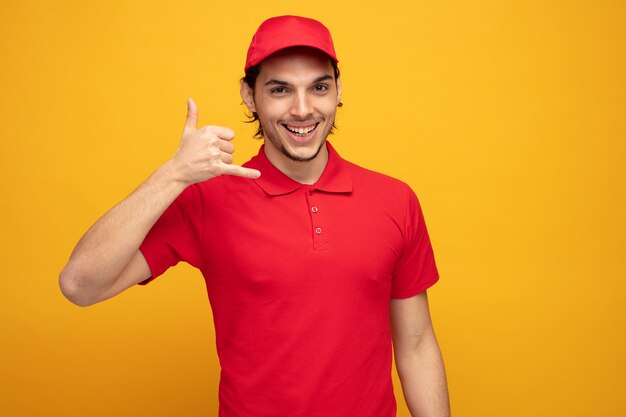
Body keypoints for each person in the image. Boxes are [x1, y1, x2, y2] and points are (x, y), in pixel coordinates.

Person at [59, 15, 450, 417]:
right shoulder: (208, 198)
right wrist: (172, 175)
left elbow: (417, 343)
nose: (302, 109)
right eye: (280, 89)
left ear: (338, 91)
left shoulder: (394, 200)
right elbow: (80, 284)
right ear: (249, 96)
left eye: (318, 87)